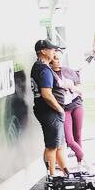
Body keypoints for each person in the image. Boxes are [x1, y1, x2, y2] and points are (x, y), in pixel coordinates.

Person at [29, 40, 70, 177]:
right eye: (51, 49)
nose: (54, 52)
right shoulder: (44, 69)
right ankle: (52, 177)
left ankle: (65, 173)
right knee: (52, 146)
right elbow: (46, 94)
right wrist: (59, 109)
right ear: (43, 51)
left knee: (59, 145)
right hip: (49, 111)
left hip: (47, 110)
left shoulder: (38, 66)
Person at [50, 50, 89, 171]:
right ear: (50, 61)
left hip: (76, 104)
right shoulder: (49, 74)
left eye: (60, 58)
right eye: (55, 58)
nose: (58, 60)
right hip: (63, 108)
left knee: (78, 135)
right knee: (69, 139)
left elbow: (81, 90)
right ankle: (86, 160)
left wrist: (72, 87)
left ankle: (80, 164)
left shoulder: (68, 71)